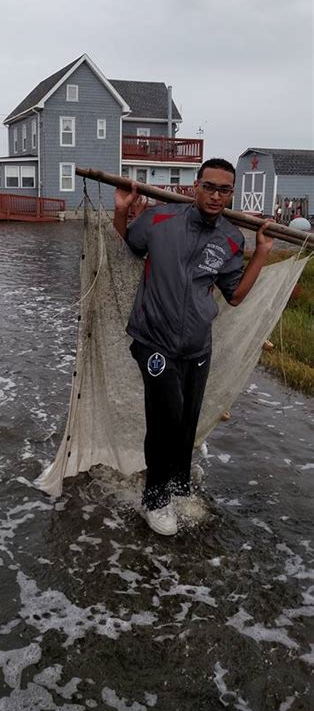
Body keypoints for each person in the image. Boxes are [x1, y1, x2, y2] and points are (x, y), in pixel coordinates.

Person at [114, 158, 273, 536]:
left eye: (224, 190)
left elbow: (234, 296)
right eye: (210, 186)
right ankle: (155, 500)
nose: (216, 195)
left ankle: (180, 487)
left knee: (187, 421)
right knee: (167, 416)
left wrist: (262, 252)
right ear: (195, 187)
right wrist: (122, 213)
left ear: (230, 193)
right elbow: (129, 246)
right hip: (153, 339)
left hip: (197, 346)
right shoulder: (161, 219)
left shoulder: (232, 239)